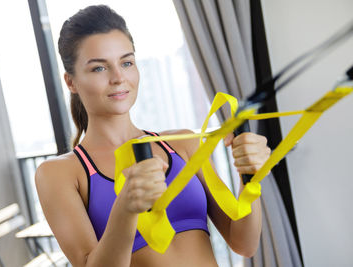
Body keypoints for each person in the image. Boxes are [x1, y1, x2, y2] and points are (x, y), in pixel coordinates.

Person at [35, 5, 271, 267]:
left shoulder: (183, 144)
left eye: (126, 62)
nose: (118, 77)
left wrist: (250, 176)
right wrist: (125, 208)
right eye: (99, 68)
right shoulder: (59, 174)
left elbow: (244, 244)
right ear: (71, 82)